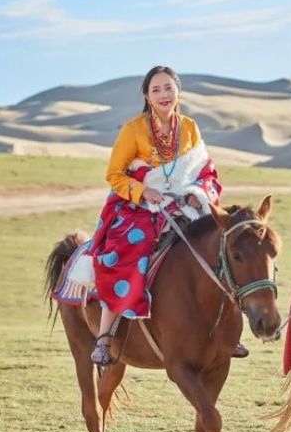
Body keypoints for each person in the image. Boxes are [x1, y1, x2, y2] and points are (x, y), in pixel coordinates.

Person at [89, 65, 247, 366]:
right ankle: (105, 335)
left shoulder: (189, 127)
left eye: (168, 88)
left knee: (221, 249)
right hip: (139, 206)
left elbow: (204, 170)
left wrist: (196, 191)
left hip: (184, 204)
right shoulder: (133, 129)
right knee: (129, 250)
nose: (163, 94)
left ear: (178, 92)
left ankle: (228, 331)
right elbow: (115, 174)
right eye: (156, 90)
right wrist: (143, 192)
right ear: (147, 96)